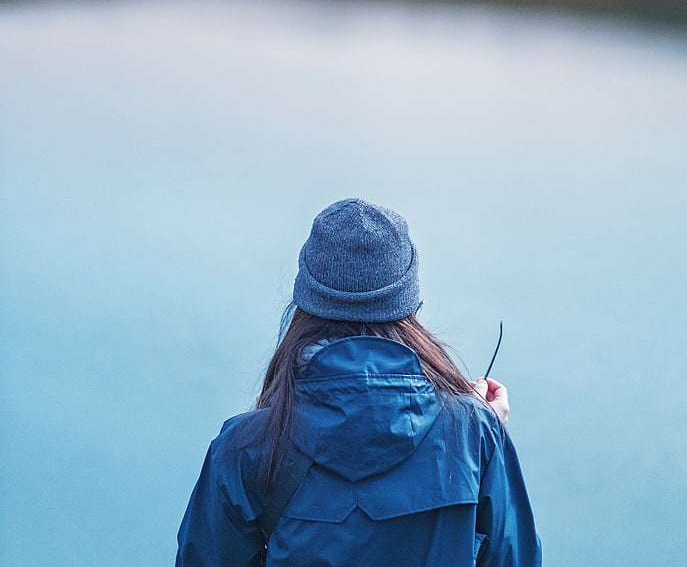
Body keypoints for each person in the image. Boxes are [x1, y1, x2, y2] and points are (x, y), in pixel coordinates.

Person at [176, 198, 542, 566]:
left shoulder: (244, 446)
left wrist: (262, 429)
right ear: (410, 304)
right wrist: (481, 429)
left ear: (304, 302)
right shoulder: (474, 433)